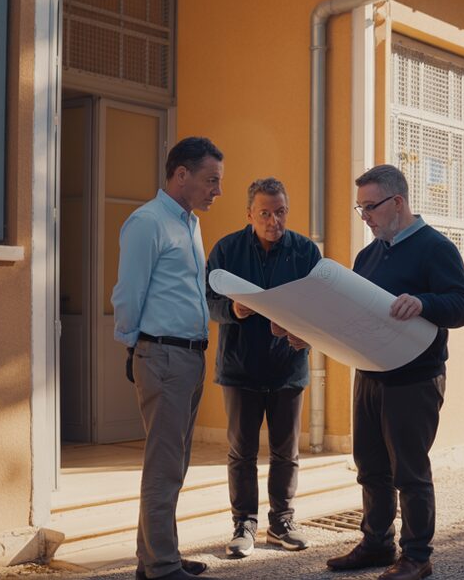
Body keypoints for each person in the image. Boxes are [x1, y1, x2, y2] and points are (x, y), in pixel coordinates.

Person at [325, 164, 464, 580]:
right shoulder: (368, 255)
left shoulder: (436, 248)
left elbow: (462, 306)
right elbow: (354, 312)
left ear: (398, 202)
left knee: (409, 470)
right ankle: (377, 544)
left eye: (370, 207)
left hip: (415, 379)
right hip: (370, 375)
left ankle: (416, 556)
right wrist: (312, 331)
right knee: (370, 466)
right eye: (361, 209)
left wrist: (424, 302)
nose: (365, 217)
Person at [111, 137, 224, 580]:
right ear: (182, 175)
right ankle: (160, 566)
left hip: (190, 357)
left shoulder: (190, 223)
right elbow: (129, 293)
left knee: (175, 463)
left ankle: (159, 557)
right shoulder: (148, 222)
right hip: (163, 355)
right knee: (163, 464)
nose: (217, 190)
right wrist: (132, 346)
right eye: (211, 180)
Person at [205, 177, 321, 557]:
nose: (275, 221)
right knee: (242, 453)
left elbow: (322, 305)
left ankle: (282, 523)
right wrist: (232, 310)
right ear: (250, 214)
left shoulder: (305, 251)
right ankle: (243, 526)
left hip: (289, 369)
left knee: (286, 451)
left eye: (281, 212)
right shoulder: (227, 249)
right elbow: (206, 300)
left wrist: (306, 332)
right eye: (266, 213)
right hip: (240, 370)